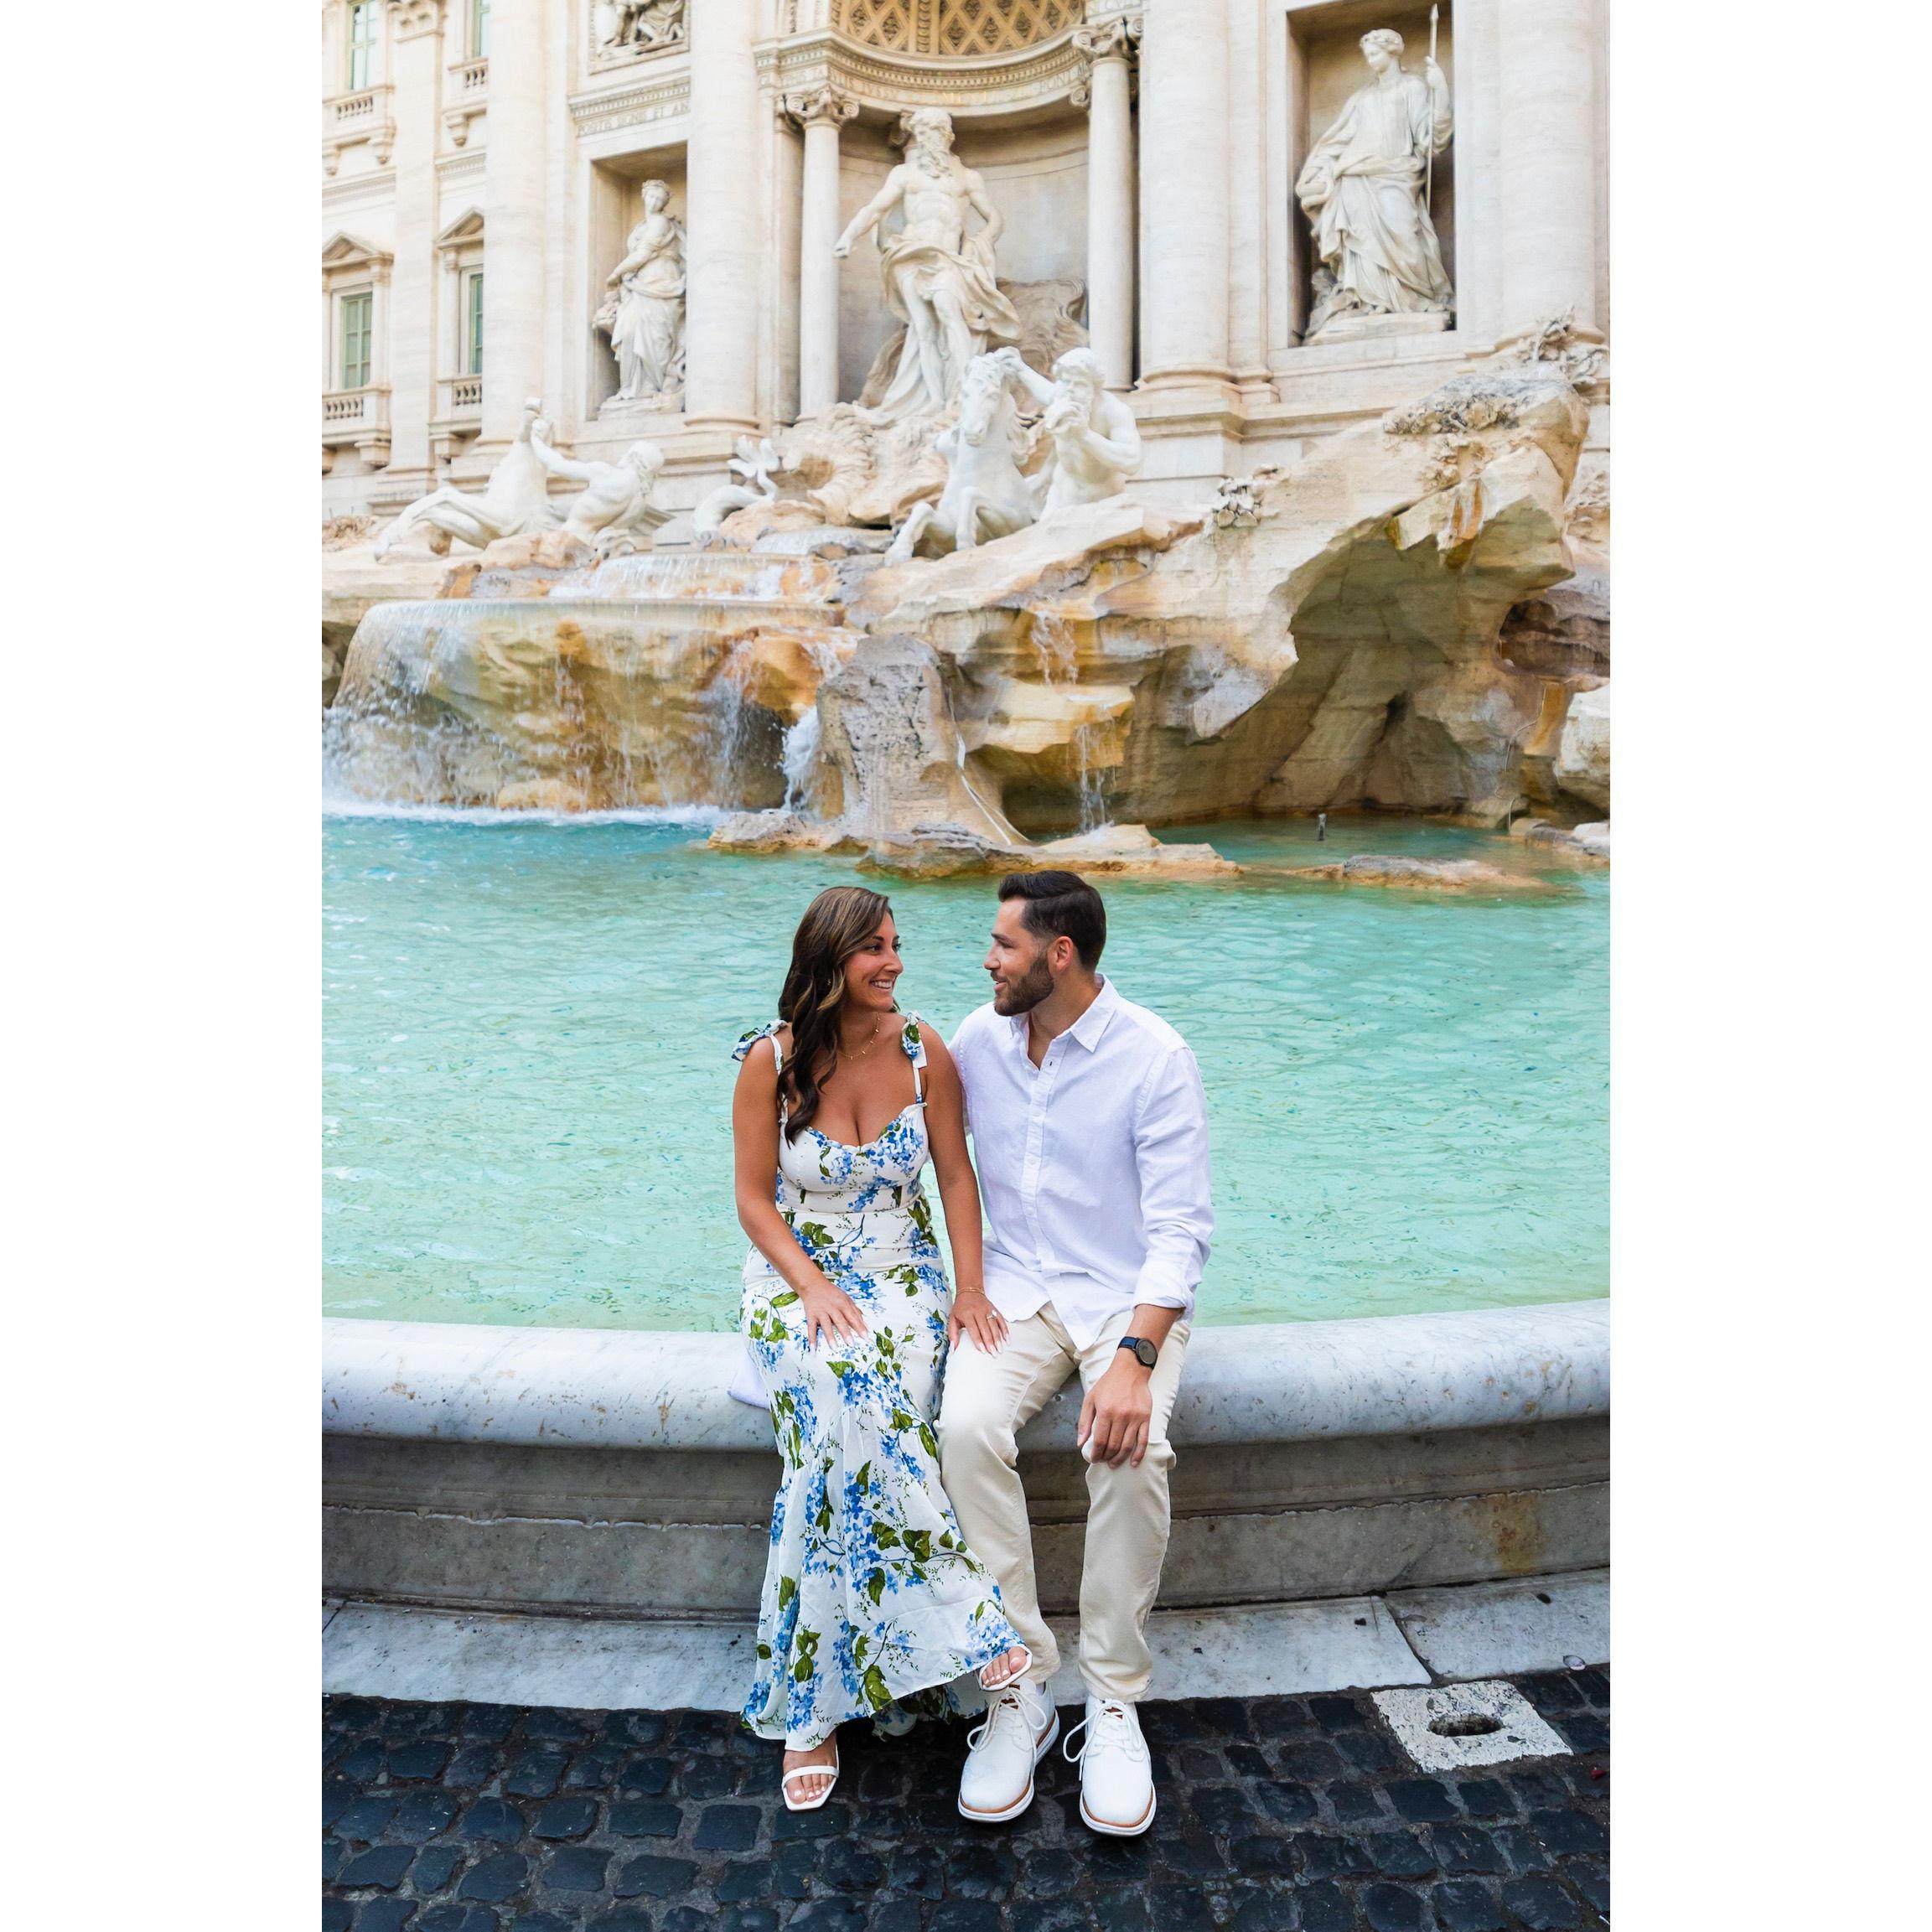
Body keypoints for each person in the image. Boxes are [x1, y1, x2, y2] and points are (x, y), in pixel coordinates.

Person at [731, 886, 1030, 1813]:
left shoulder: (922, 1049)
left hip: (903, 1270)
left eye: (896, 944)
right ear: (829, 958)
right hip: (795, 1274)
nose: (894, 962)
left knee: (866, 1399)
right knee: (839, 1389)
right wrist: (811, 1286)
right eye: (874, 948)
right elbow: (752, 1199)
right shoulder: (770, 1059)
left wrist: (969, 1290)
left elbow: (955, 1178)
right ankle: (965, 1621)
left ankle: (813, 1705)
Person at [940, 871, 1213, 1836]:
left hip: (1119, 1299)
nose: (987, 960)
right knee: (964, 1429)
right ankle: (1017, 1686)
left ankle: (1112, 1700)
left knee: (1130, 1448)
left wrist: (1136, 1357)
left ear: (1059, 955)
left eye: (1003, 944)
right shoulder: (976, 1038)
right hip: (1014, 1291)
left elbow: (1180, 1231)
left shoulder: (1155, 1056)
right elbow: (900, 1114)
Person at [833, 107, 1023, 422]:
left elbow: (995, 218)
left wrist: (981, 242)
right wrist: (849, 235)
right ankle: (935, 400)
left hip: (946, 258)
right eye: (921, 133)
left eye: (932, 131)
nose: (926, 139)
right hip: (909, 253)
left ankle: (963, 392)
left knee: (950, 313)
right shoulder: (904, 174)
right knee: (922, 327)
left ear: (947, 135)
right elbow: (875, 209)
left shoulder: (966, 177)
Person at [1295, 28, 1453, 336]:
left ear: (1392, 52)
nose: (1370, 60)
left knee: (1403, 231)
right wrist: (1318, 171)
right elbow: (1338, 140)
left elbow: (1432, 139)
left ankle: (1411, 298)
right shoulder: (1362, 98)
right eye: (1367, 55)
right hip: (1355, 177)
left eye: (1375, 53)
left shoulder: (1413, 87)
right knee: (1361, 240)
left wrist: (1441, 92)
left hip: (1398, 173)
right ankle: (1369, 301)